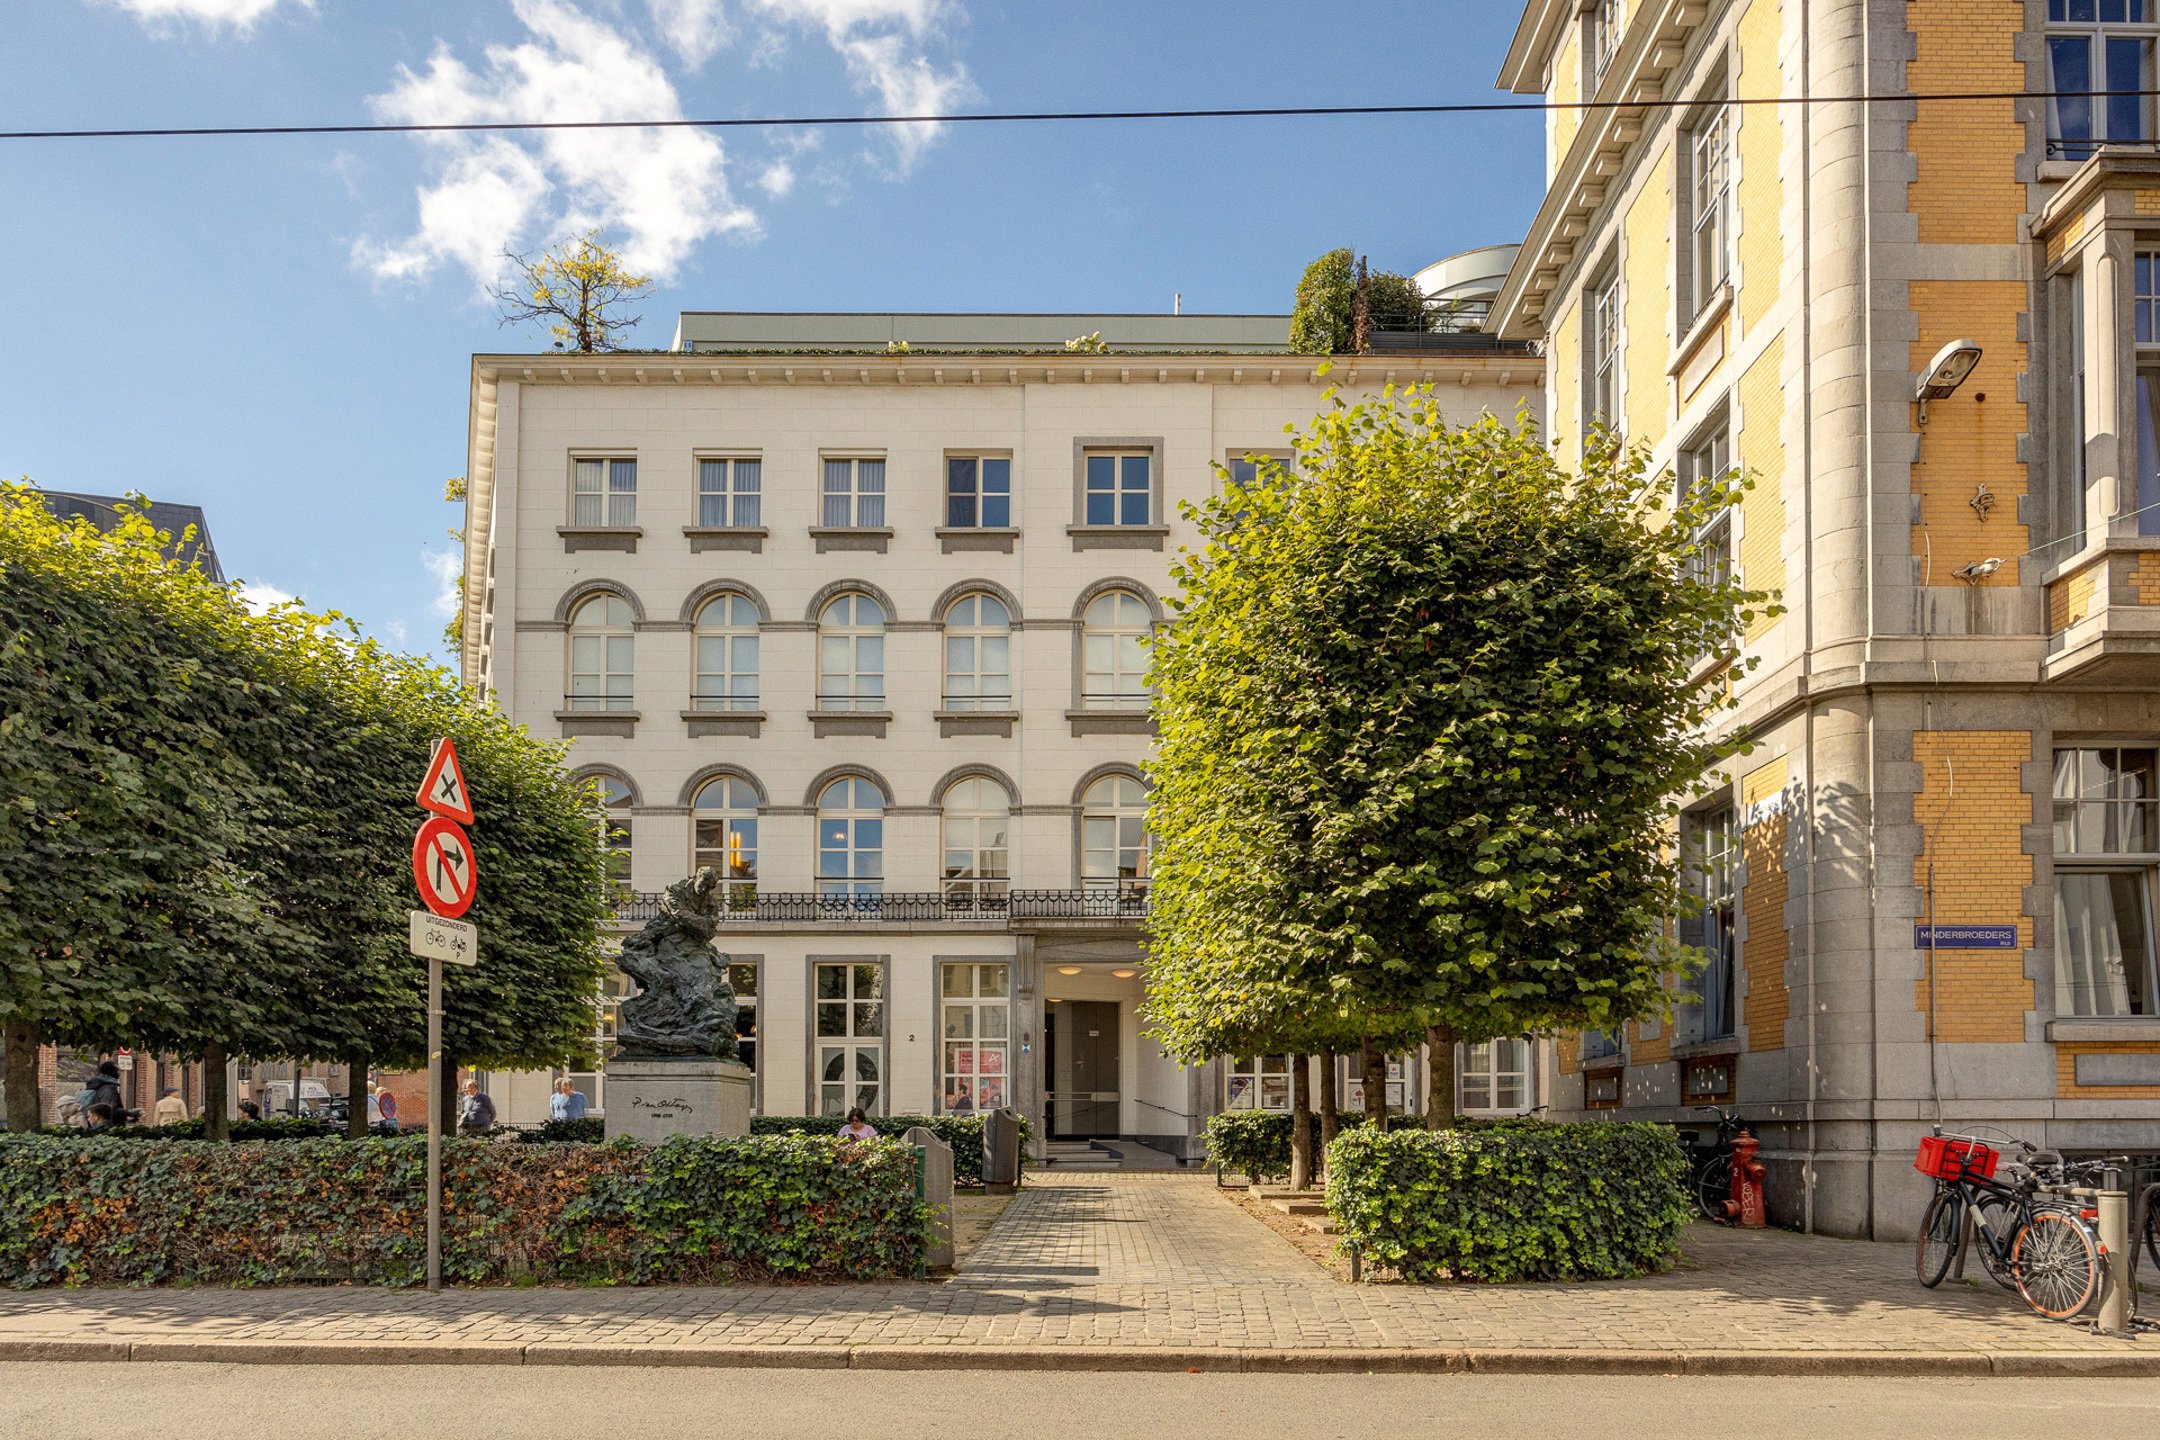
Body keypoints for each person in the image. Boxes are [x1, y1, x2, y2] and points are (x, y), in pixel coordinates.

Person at [84, 1061, 125, 1128]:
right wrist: (127, 1113)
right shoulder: (109, 1088)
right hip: (105, 1125)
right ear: (112, 1071)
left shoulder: (97, 1085)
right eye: (117, 1070)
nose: (119, 1072)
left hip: (95, 1122)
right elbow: (109, 1110)